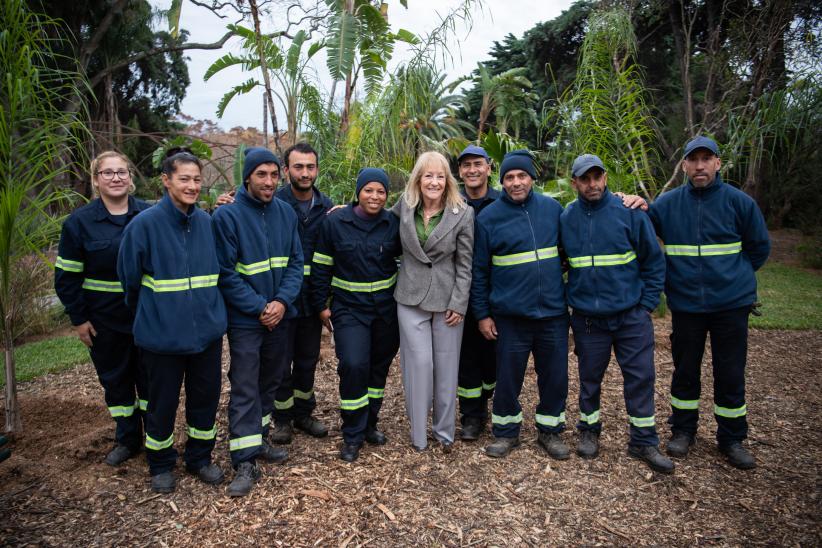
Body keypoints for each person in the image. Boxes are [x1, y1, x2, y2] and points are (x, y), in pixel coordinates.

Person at [649, 136, 770, 470]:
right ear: (685, 165)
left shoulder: (738, 203)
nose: (700, 166)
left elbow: (759, 247)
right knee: (685, 371)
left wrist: (735, 277)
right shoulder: (668, 204)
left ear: (718, 163)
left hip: (731, 305)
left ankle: (731, 438)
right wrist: (631, 200)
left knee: (730, 372)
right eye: (693, 159)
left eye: (706, 159)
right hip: (686, 304)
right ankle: (683, 431)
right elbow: (643, 228)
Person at [117, 148, 227, 493]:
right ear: (166, 181)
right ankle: (161, 464)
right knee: (161, 404)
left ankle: (199, 458)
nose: (192, 186)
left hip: (206, 335)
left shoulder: (207, 223)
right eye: (184, 179)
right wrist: (154, 316)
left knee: (205, 399)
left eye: (197, 179)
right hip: (162, 337)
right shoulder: (144, 226)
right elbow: (129, 282)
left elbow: (218, 273)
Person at [562, 154, 673, 474]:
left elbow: (653, 261)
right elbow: (562, 261)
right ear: (575, 183)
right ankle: (589, 431)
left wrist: (646, 305)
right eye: (585, 179)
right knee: (589, 379)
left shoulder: (630, 212)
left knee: (640, 378)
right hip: (588, 318)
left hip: (630, 316)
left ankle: (643, 440)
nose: (592, 183)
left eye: (597, 177)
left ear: (605, 177)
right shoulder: (567, 217)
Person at [212, 147, 302, 496]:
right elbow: (225, 273)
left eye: (273, 175)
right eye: (260, 175)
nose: (268, 181)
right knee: (246, 385)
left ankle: (259, 438)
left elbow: (296, 263)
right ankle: (244, 459)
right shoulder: (227, 217)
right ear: (247, 176)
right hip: (247, 320)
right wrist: (260, 307)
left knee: (271, 381)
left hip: (280, 316)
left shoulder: (285, 213)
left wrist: (280, 302)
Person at [471, 150, 570, 460]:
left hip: (552, 313)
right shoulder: (488, 218)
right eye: (509, 178)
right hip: (510, 315)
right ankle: (506, 431)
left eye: (521, 176)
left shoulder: (553, 210)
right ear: (502, 181)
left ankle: (550, 431)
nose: (516, 183)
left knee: (554, 376)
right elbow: (479, 271)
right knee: (508, 376)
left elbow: (568, 254)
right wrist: (483, 314)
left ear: (531, 178)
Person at [55, 151, 151, 466]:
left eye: (121, 172)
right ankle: (127, 440)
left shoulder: (149, 215)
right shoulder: (79, 223)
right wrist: (79, 319)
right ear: (97, 180)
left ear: (131, 178)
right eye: (107, 173)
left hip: (147, 318)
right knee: (116, 382)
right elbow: (66, 278)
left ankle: (156, 438)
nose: (115, 178)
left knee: (151, 381)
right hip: (104, 322)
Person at [309, 168, 401, 462]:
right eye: (369, 190)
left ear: (387, 196)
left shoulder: (393, 224)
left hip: (386, 310)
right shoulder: (335, 222)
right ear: (358, 192)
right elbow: (321, 266)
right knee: (353, 365)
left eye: (381, 192)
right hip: (350, 309)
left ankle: (369, 425)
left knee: (377, 370)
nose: (374, 197)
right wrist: (322, 305)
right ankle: (352, 435)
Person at [391, 151, 474, 451]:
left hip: (448, 299)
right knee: (419, 366)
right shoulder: (404, 206)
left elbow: (465, 265)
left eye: (440, 176)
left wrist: (459, 303)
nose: (434, 182)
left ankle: (444, 433)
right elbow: (375, 223)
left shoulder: (463, 212)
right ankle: (419, 436)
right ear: (418, 179)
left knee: (447, 368)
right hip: (410, 297)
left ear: (448, 180)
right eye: (428, 175)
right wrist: (346, 210)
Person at [270, 143, 335, 443]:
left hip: (312, 300)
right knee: (281, 362)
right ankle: (282, 418)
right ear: (287, 171)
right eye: (298, 167)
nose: (305, 173)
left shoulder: (328, 207)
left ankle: (304, 412)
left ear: (317, 169)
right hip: (283, 298)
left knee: (308, 360)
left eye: (310, 167)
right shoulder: (274, 204)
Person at [455, 145, 500, 441]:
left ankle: (493, 406)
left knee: (493, 356)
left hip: (497, 293)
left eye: (478, 164)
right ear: (460, 171)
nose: (472, 170)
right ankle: (471, 415)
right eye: (466, 165)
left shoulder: (503, 201)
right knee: (465, 357)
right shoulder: (451, 202)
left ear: (488, 167)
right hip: (458, 293)